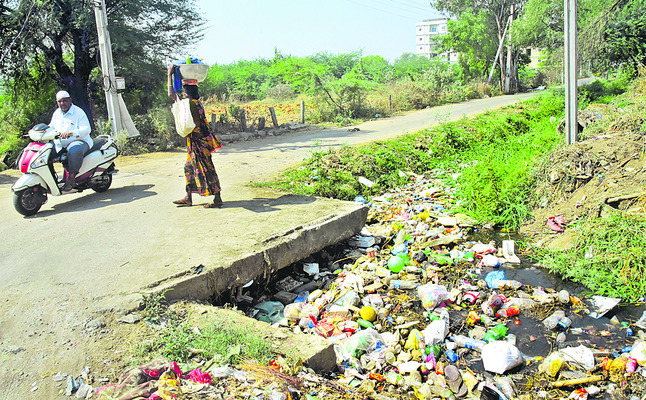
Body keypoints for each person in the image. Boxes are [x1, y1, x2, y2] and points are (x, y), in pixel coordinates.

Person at [167, 64, 223, 208]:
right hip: (199, 142)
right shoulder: (195, 103)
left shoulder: (189, 104)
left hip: (198, 142)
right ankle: (188, 197)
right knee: (190, 168)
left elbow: (171, 95)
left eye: (184, 92)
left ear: (187, 93)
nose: (183, 94)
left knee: (206, 169)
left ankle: (217, 198)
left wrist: (169, 75)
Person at [49, 90, 92, 191]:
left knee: (74, 150)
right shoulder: (57, 113)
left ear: (70, 100)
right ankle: (52, 179)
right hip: (60, 144)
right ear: (57, 102)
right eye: (59, 101)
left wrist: (71, 133)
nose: (62, 103)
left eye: (65, 101)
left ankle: (72, 178)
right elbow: (51, 127)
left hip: (79, 141)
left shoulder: (78, 112)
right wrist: (42, 130)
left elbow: (86, 129)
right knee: (47, 152)